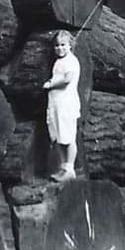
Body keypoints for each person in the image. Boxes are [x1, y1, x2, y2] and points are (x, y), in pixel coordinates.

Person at [43, 29, 81, 182]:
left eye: (63, 45)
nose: (60, 48)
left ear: (70, 45)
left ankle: (70, 168)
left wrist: (51, 84)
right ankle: (62, 167)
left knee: (68, 137)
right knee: (57, 136)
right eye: (57, 46)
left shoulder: (71, 61)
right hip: (56, 103)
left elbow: (67, 79)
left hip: (66, 103)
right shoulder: (59, 61)